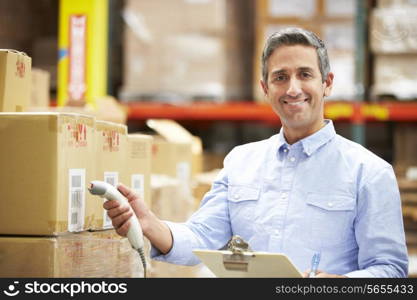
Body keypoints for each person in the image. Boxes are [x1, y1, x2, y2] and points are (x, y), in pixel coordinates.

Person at [106, 27, 408, 278]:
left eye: (305, 74)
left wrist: (338, 284)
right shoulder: (241, 161)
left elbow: (390, 269)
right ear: (265, 88)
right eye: (280, 77)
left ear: (327, 84)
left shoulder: (368, 172)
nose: (292, 89)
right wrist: (150, 224)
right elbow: (201, 238)